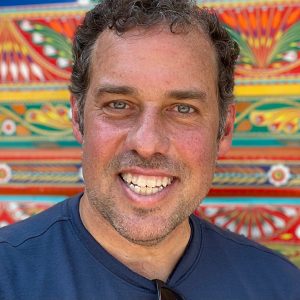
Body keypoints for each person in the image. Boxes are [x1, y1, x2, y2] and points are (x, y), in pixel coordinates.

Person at [1, 0, 299, 299]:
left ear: (225, 129)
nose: (147, 144)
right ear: (78, 118)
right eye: (118, 105)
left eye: (183, 108)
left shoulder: (278, 286)